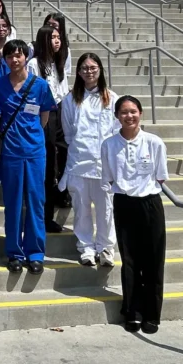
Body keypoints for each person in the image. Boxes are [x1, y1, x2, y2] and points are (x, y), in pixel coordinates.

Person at [0, 41, 56, 274]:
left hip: (35, 150)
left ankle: (35, 253)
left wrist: (33, 133)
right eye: (10, 56)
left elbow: (45, 114)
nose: (14, 60)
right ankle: (14, 253)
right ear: (4, 60)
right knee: (14, 203)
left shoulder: (39, 85)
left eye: (18, 55)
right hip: (11, 151)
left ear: (26, 57)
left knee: (36, 201)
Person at [103, 95, 168, 334]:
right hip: (124, 203)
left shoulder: (154, 142)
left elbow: (160, 175)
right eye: (123, 112)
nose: (129, 116)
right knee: (130, 261)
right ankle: (131, 311)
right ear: (117, 116)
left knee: (153, 260)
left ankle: (152, 313)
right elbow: (109, 176)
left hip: (150, 204)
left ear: (140, 113)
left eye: (133, 111)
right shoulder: (109, 145)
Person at [61, 53, 120, 267]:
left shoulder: (112, 98)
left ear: (100, 70)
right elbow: (68, 131)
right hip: (79, 163)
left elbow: (117, 130)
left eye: (93, 67)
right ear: (78, 72)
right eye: (85, 68)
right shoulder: (70, 99)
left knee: (106, 210)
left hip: (105, 165)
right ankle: (86, 247)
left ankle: (105, 248)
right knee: (82, 208)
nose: (89, 71)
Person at [31, 25, 71, 233]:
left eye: (59, 37)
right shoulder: (34, 64)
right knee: (45, 168)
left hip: (58, 113)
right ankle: (43, 217)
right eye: (53, 37)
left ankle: (61, 198)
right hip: (42, 114)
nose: (57, 41)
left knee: (57, 162)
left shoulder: (58, 64)